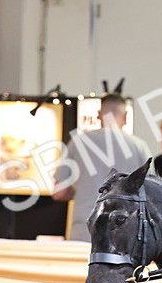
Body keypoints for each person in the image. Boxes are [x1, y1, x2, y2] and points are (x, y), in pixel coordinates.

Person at [53, 93, 151, 242]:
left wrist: (81, 190)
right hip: (125, 229)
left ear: (99, 115)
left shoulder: (79, 143)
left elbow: (59, 192)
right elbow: (150, 191)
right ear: (125, 117)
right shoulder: (139, 146)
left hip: (85, 228)